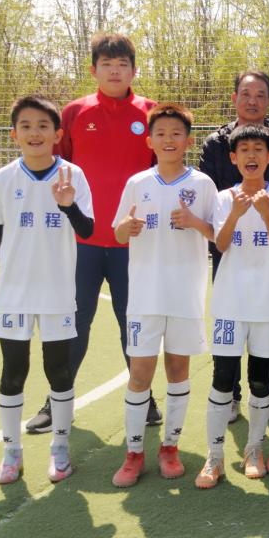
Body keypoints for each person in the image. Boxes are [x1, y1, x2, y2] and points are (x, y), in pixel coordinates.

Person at [26, 34, 157, 435]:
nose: (115, 71)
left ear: (134, 70)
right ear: (93, 69)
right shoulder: (74, 112)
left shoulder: (150, 112)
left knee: (133, 323)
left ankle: (145, 398)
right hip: (80, 244)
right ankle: (57, 400)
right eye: (107, 64)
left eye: (122, 64)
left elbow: (163, 174)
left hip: (132, 244)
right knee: (73, 324)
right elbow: (56, 173)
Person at [0, 96, 95, 484]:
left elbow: (87, 229)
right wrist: (13, 269)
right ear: (14, 134)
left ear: (57, 134)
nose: (35, 133)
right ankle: (11, 452)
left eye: (43, 126)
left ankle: (59, 448)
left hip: (58, 292)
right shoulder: (3, 178)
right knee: (13, 372)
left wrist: (67, 206)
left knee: (58, 370)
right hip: (13, 295)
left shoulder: (73, 176)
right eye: (26, 126)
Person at [110, 104, 217, 487]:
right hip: (145, 295)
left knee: (177, 369)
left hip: (185, 294)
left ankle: (170, 447)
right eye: (161, 133)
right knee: (140, 373)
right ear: (149, 140)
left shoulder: (202, 184)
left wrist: (194, 222)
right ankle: (134, 453)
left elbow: (218, 234)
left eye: (176, 133)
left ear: (188, 140)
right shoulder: (138, 183)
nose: (168, 140)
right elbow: (118, 233)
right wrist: (126, 227)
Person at [198, 70, 269, 422]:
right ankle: (230, 395)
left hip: (268, 239)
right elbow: (209, 192)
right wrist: (232, 214)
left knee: (267, 322)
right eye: (246, 94)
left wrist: (268, 212)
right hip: (230, 241)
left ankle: (268, 393)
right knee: (229, 319)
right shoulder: (216, 142)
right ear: (235, 98)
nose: (253, 101)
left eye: (260, 95)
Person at [195, 126, 269, 489]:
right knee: (222, 378)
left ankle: (253, 450)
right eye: (244, 149)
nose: (252, 155)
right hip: (230, 303)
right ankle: (215, 456)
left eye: (259, 149)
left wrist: (266, 213)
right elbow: (219, 245)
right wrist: (235, 214)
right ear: (233, 158)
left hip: (267, 303)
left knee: (260, 380)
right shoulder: (223, 199)